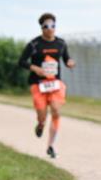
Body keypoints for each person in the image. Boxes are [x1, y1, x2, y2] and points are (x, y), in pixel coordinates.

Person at [18, 13, 75, 159]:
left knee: (56, 110)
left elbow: (66, 58)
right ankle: (40, 125)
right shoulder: (34, 44)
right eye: (46, 26)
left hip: (55, 84)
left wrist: (69, 62)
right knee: (42, 116)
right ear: (42, 28)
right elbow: (22, 61)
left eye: (52, 26)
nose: (50, 29)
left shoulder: (61, 43)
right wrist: (35, 69)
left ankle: (51, 145)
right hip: (38, 84)